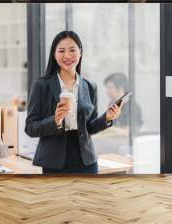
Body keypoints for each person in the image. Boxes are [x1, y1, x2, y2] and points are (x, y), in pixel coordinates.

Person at [25, 31, 122, 174]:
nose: (67, 56)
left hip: (86, 161)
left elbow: (90, 127)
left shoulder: (90, 86)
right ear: (54, 54)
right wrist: (55, 121)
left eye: (72, 50)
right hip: (54, 162)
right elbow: (30, 128)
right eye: (61, 51)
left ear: (80, 52)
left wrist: (107, 118)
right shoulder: (41, 86)